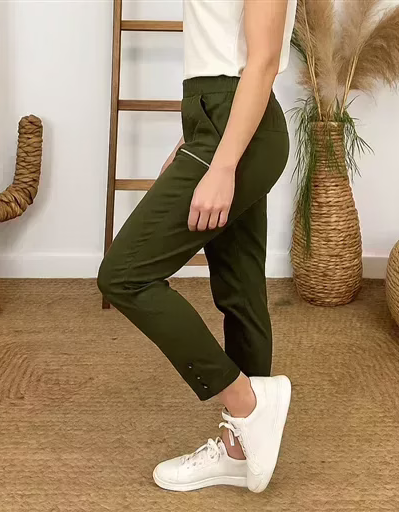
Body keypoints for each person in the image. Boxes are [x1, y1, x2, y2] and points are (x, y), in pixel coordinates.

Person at [98, 0, 297, 494]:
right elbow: (216, 54)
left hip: (239, 125)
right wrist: (191, 143)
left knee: (125, 275)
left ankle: (247, 404)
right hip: (216, 120)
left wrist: (223, 164)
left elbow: (263, 60)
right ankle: (239, 450)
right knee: (239, 288)